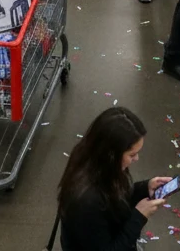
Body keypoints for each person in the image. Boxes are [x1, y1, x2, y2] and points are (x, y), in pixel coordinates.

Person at [56, 107, 172, 251]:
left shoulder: (95, 161)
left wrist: (144, 187)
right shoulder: (86, 201)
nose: (136, 158)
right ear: (111, 154)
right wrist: (138, 217)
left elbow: (114, 197)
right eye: (131, 154)